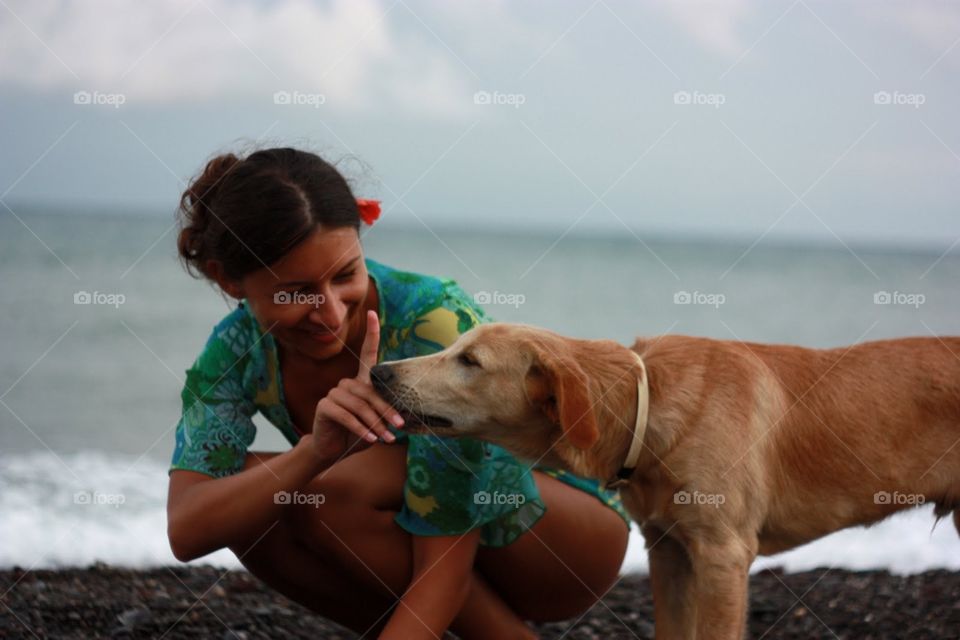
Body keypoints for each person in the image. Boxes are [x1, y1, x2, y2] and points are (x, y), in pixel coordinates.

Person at [166, 147, 630, 639]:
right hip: (410, 540)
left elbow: (446, 556)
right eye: (296, 292)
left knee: (327, 492)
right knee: (252, 491)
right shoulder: (235, 349)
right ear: (228, 279)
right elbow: (190, 528)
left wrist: (321, 470)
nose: (330, 313)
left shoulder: (435, 323)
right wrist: (314, 453)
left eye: (345, 275)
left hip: (557, 539)